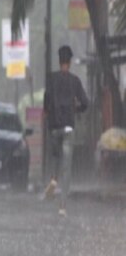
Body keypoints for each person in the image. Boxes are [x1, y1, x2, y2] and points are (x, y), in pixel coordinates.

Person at [42, 45, 88, 216]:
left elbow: (46, 103)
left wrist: (48, 114)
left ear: (59, 60)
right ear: (69, 62)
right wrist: (76, 109)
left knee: (55, 156)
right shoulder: (75, 81)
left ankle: (53, 179)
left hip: (54, 127)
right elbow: (85, 103)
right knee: (67, 167)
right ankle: (62, 205)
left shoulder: (51, 79)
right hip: (69, 127)